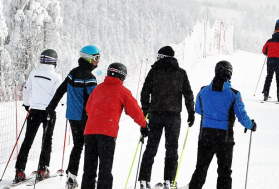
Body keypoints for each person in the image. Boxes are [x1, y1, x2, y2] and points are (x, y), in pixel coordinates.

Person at [187, 61, 256, 189]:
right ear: (230, 74)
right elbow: (241, 115)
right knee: (224, 172)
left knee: (201, 168)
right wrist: (250, 125)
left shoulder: (203, 91)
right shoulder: (234, 94)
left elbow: (198, 109)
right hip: (224, 137)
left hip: (205, 135)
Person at [82, 62, 148, 189]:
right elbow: (134, 110)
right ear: (122, 76)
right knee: (105, 170)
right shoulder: (122, 91)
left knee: (89, 169)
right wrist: (144, 125)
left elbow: (88, 109)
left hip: (90, 132)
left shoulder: (98, 89)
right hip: (107, 134)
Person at [138, 46, 195, 189]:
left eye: (158, 56)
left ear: (163, 57)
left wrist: (146, 111)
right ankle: (169, 181)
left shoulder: (154, 71)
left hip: (156, 115)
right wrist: (191, 112)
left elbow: (145, 92)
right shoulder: (181, 73)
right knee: (171, 149)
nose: (156, 59)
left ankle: (144, 181)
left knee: (151, 148)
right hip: (174, 117)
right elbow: (188, 94)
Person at [47, 45, 101, 188]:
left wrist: (51, 106)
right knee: (91, 148)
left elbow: (60, 90)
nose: (98, 62)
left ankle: (71, 177)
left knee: (78, 145)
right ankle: (89, 179)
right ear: (88, 59)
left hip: (72, 117)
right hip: (86, 119)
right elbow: (94, 101)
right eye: (96, 58)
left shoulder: (73, 73)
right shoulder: (90, 78)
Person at [14, 49, 63, 183]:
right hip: (49, 112)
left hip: (34, 110)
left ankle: (19, 171)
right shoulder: (56, 77)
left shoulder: (34, 73)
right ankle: (43, 169)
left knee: (27, 140)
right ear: (54, 61)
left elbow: (26, 90)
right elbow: (59, 96)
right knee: (47, 140)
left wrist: (26, 105)